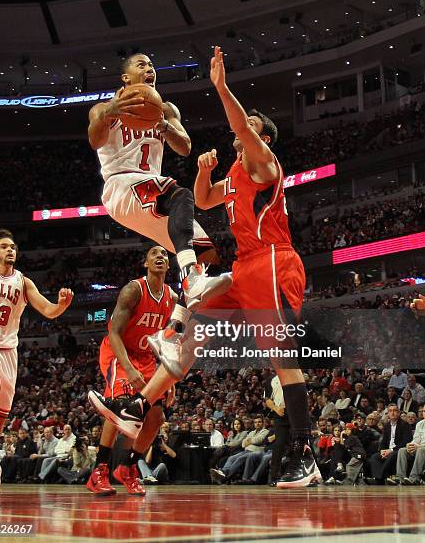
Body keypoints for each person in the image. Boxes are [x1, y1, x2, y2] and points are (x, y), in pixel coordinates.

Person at [89, 46, 321, 488]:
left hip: (273, 261)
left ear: (263, 138)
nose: (242, 131)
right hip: (238, 257)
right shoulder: (234, 173)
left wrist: (220, 85)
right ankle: (141, 398)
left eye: (251, 128)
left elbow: (214, 132)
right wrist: (202, 170)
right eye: (141, 64)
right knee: (195, 321)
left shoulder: (262, 161)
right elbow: (205, 196)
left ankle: (303, 450)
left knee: (276, 351)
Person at [87, 52, 224, 337]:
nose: (150, 68)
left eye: (152, 64)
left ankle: (171, 333)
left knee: (205, 255)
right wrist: (112, 111)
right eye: (142, 65)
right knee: (180, 194)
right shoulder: (102, 109)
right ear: (126, 77)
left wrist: (161, 123)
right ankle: (190, 280)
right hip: (122, 185)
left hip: (149, 191)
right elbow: (95, 139)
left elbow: (185, 147)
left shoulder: (165, 108)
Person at [0, 229, 73, 495]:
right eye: (4, 247)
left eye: (13, 246)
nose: (10, 250)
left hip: (8, 352)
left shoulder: (24, 283)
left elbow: (48, 311)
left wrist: (62, 305)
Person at [87, 246, 176, 496]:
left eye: (164, 255)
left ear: (169, 265)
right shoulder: (133, 290)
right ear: (145, 263)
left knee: (156, 417)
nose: (160, 257)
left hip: (147, 357)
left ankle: (127, 468)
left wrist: (169, 376)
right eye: (154, 254)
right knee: (121, 406)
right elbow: (114, 332)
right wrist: (127, 367)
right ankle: (99, 470)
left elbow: (165, 339)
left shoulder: (172, 297)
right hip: (120, 351)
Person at [366, 404, 412, 484]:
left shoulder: (405, 425)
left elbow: (406, 441)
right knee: (375, 457)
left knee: (392, 455)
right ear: (388, 413)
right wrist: (382, 451)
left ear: (399, 413)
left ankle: (378, 478)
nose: (392, 413)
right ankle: (379, 479)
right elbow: (384, 441)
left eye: (394, 411)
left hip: (399, 450)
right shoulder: (387, 426)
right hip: (388, 450)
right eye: (390, 411)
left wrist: (391, 450)